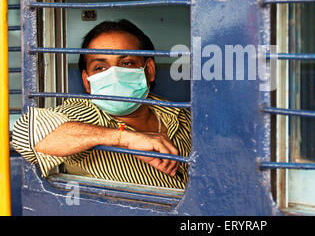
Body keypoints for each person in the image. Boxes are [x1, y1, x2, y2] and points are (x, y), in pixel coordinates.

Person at [12, 19, 191, 189]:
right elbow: (25, 134)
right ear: (87, 81)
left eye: (126, 63)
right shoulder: (85, 115)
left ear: (149, 70)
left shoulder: (178, 112)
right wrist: (125, 139)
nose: (114, 75)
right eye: (100, 67)